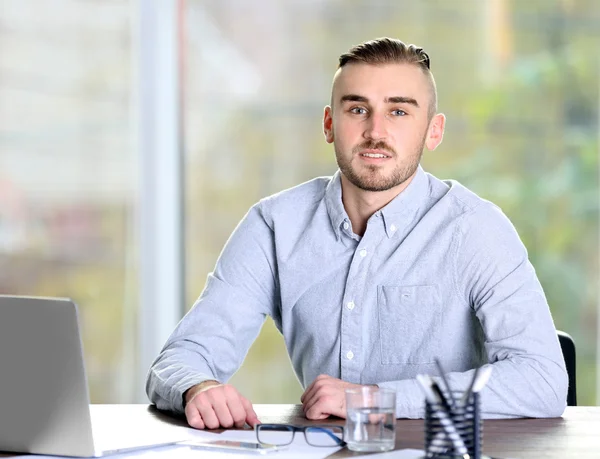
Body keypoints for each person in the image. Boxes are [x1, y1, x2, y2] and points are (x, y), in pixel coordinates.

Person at [146, 37, 568, 429]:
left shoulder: (476, 230)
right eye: (357, 109)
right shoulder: (275, 226)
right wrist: (197, 388)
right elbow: (181, 358)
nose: (376, 132)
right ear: (330, 124)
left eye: (399, 111)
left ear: (433, 131)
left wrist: (376, 400)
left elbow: (543, 381)